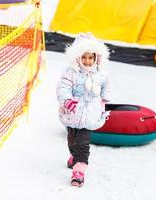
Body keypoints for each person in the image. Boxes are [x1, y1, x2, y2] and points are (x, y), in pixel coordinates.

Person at [56, 32, 111, 187]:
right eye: (84, 57)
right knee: (72, 140)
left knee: (82, 143)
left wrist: (104, 100)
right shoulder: (70, 72)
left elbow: (106, 86)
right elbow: (63, 88)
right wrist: (67, 100)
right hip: (73, 113)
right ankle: (74, 156)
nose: (87, 61)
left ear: (96, 58)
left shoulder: (101, 74)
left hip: (90, 115)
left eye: (91, 57)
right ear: (77, 57)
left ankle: (79, 170)